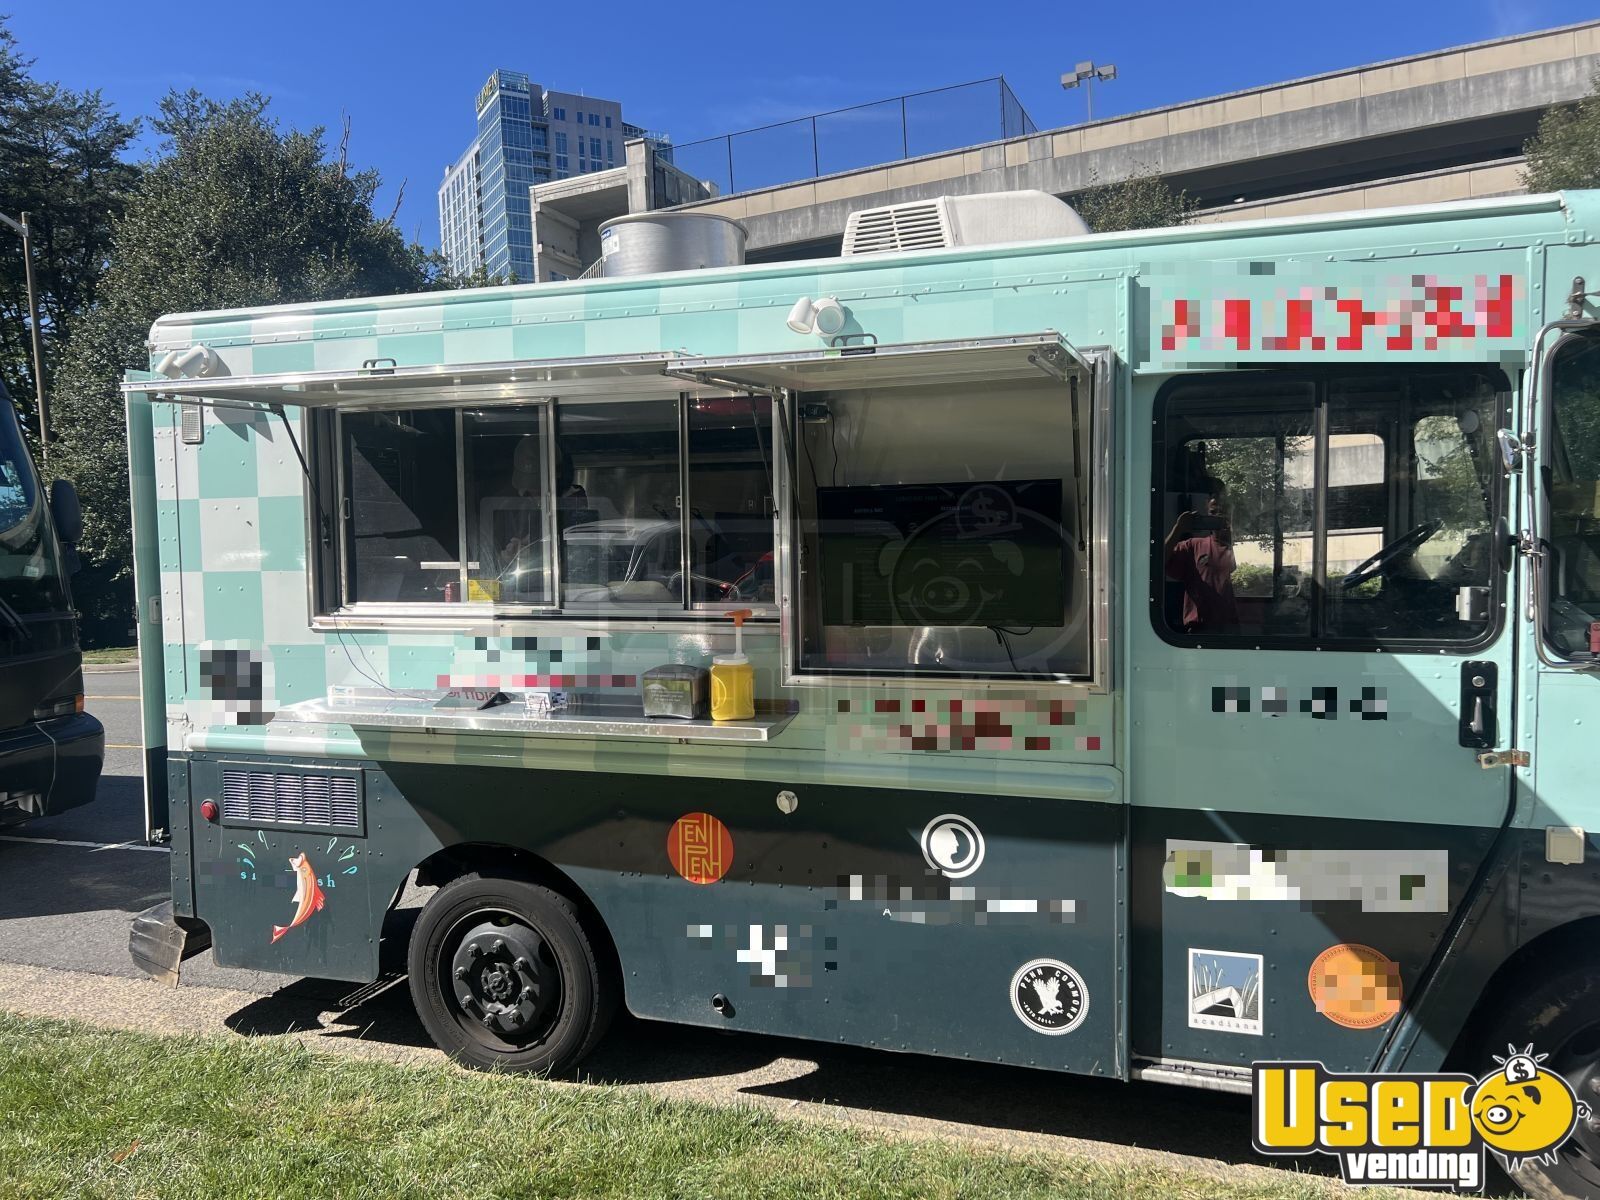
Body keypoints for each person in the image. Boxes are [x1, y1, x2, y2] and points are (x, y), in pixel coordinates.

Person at [1164, 481, 1239, 634]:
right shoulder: (1193, 546)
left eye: (1223, 512)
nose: (1218, 516)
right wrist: (1178, 529)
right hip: (1199, 633)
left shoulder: (1241, 547)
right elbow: (1157, 562)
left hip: (1233, 632)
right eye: (1213, 512)